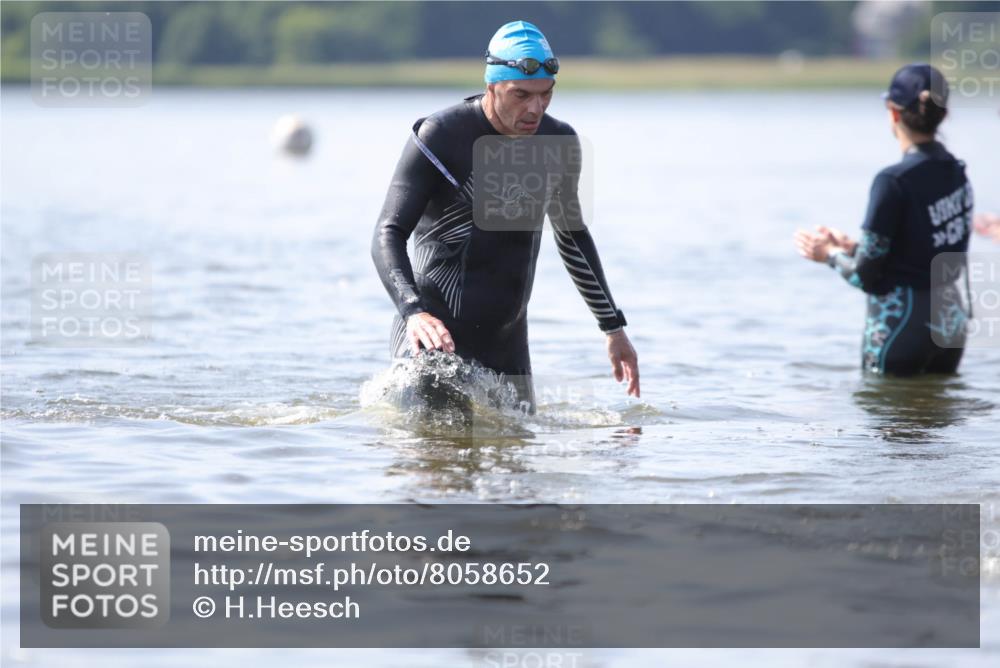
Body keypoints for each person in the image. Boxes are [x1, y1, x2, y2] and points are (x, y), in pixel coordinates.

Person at [372, 20, 640, 410]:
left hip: (507, 348)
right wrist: (413, 312)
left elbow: (572, 237)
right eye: (521, 95)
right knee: (437, 463)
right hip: (433, 342)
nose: (535, 108)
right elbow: (388, 232)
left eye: (546, 95)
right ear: (492, 85)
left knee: (517, 460)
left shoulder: (558, 142)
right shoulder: (442, 137)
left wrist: (613, 328)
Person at [794, 63, 974, 376]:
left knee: (885, 418)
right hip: (951, 320)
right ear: (943, 114)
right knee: (940, 417)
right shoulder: (958, 174)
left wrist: (830, 255)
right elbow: (924, 250)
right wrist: (856, 248)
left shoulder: (892, 180)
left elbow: (865, 276)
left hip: (902, 323)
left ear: (893, 112)